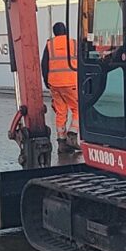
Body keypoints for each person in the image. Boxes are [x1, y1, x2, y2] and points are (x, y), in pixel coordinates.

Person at [41, 22, 80, 154]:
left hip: (55, 84)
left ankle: (62, 143)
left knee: (61, 112)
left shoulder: (49, 45)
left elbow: (44, 64)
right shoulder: (73, 43)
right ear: (66, 31)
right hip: (70, 83)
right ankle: (72, 134)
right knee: (78, 108)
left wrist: (47, 82)